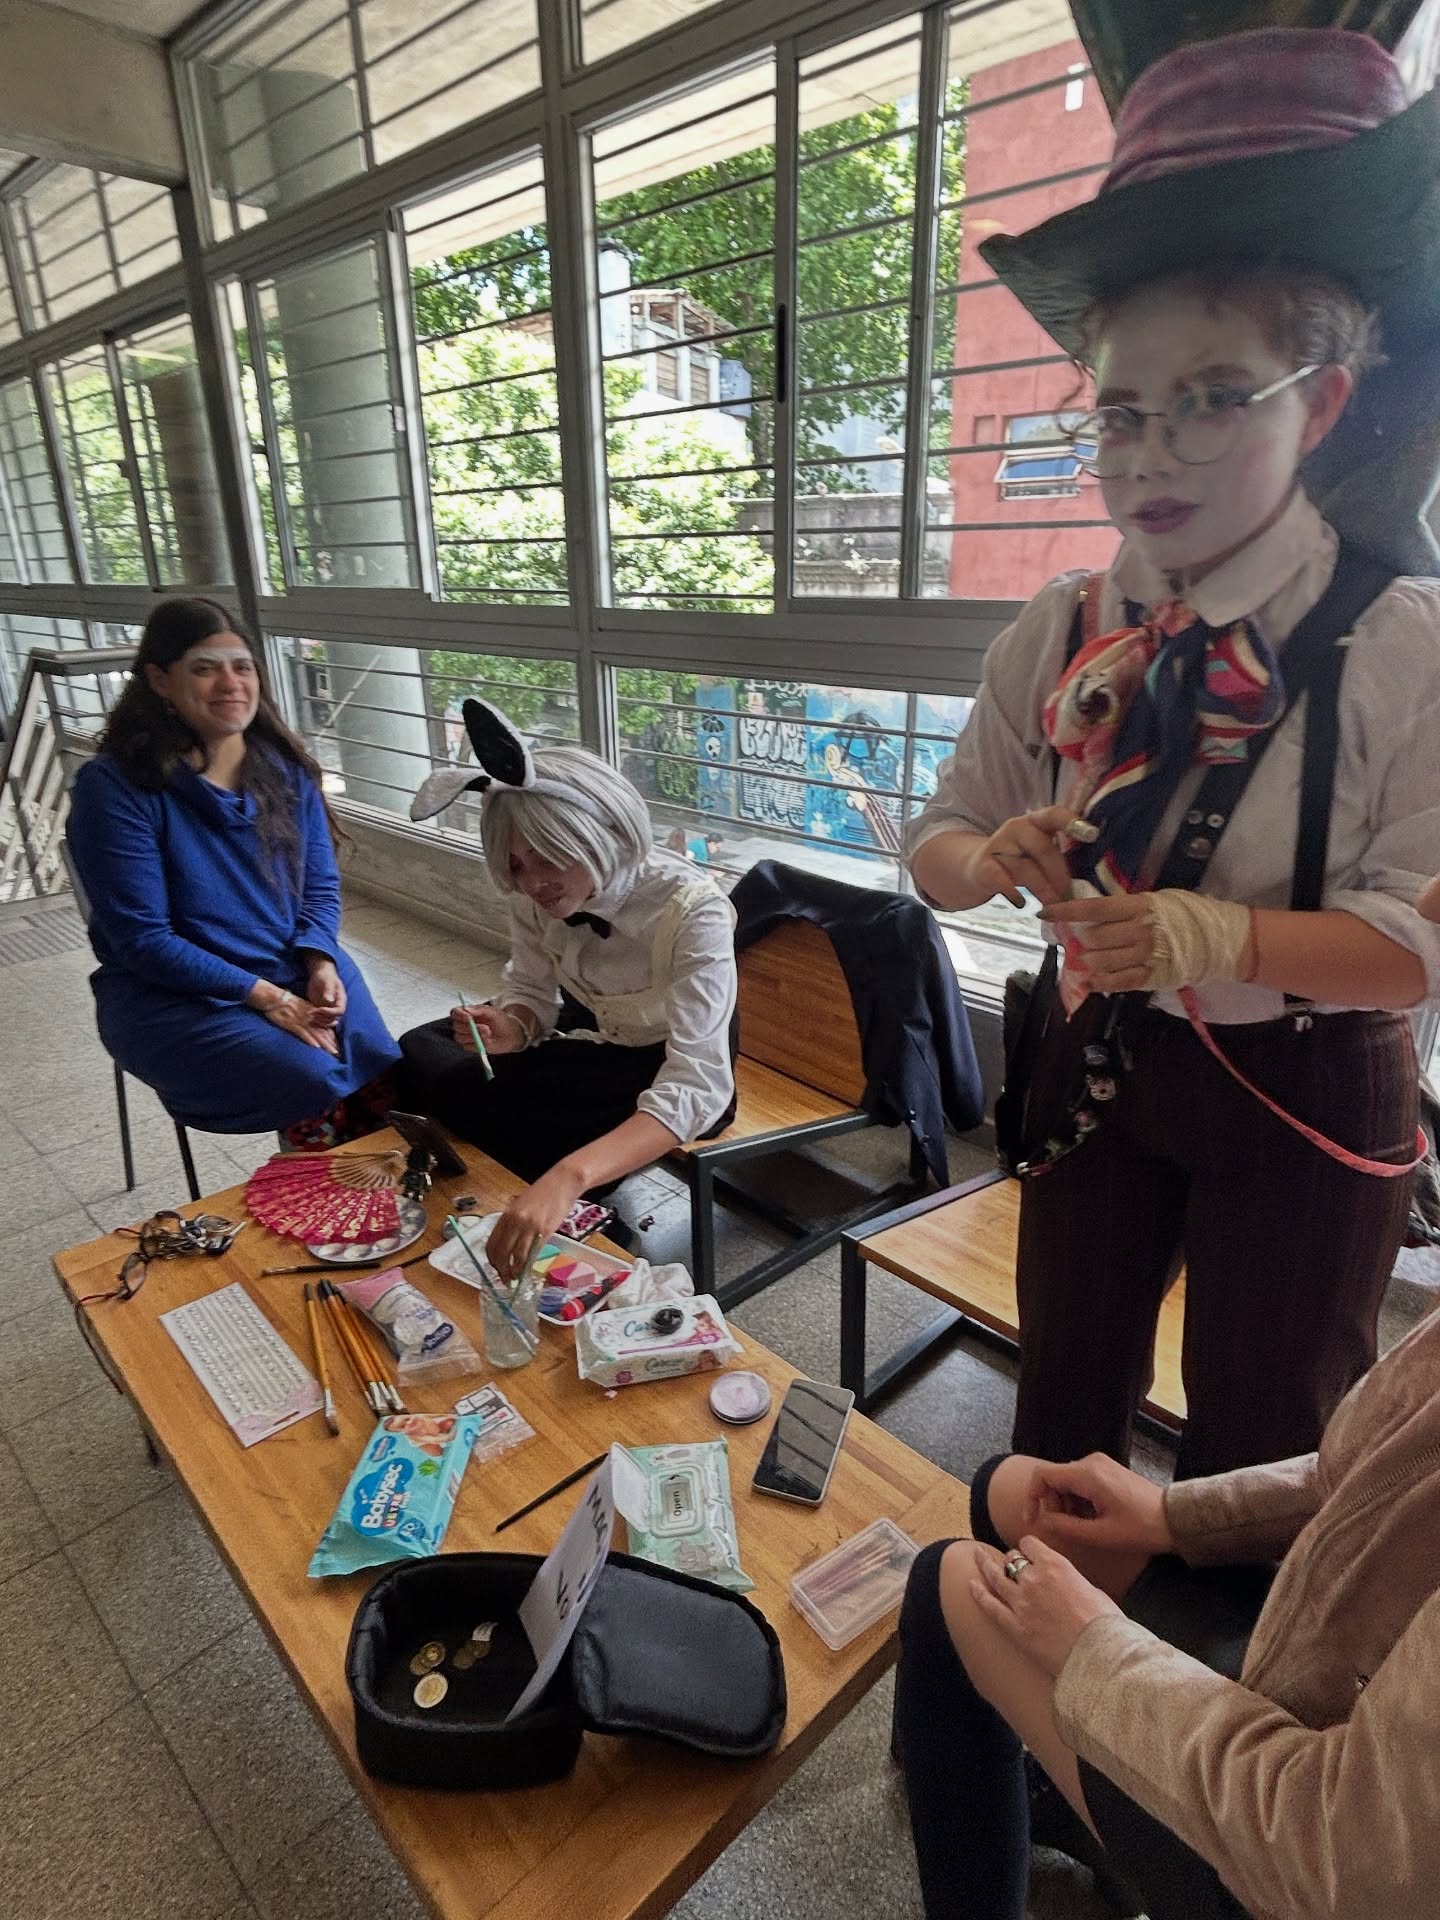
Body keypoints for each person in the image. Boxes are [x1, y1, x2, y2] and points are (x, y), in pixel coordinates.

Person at [906, 28, 1440, 1480]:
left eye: (1213, 399)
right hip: (1096, 1055)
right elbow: (941, 845)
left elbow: (1413, 950)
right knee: (1060, 1386)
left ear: (1322, 400)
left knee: (1268, 1441)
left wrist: (1216, 932)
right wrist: (993, 852)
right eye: (1123, 413)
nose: (1150, 456)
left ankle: (1221, 1702)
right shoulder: (1066, 623)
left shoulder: (1404, 645)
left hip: (1314, 1080)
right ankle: (1032, 1662)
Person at [894, 1291, 1440, 1920]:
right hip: (1324, 1674)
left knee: (951, 1581)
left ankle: (1103, 1831)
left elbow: (1343, 1861)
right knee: (1016, 1493)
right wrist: (1169, 1515)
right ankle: (1105, 1839)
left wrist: (1093, 1649)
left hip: (1292, 1854)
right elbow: (1355, 1473)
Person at [399, 699, 737, 1280]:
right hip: (600, 1044)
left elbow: (698, 1085)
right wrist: (513, 1025)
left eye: (550, 858)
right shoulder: (536, 895)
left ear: (600, 834)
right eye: (515, 864)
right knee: (427, 1061)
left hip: (677, 1070)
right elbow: (531, 989)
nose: (533, 882)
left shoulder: (692, 910)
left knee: (529, 1137)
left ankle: (584, 1226)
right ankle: (532, 1213)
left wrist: (570, 1175)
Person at [67, 597, 399, 1141]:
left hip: (289, 963)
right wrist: (269, 999)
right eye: (204, 668)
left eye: (241, 666)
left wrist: (319, 959)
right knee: (310, 1074)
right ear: (160, 679)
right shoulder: (116, 789)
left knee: (376, 1062)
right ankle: (309, 1198)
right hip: (171, 994)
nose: (230, 683)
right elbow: (144, 940)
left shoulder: (287, 773)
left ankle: (369, 1193)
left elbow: (318, 886)